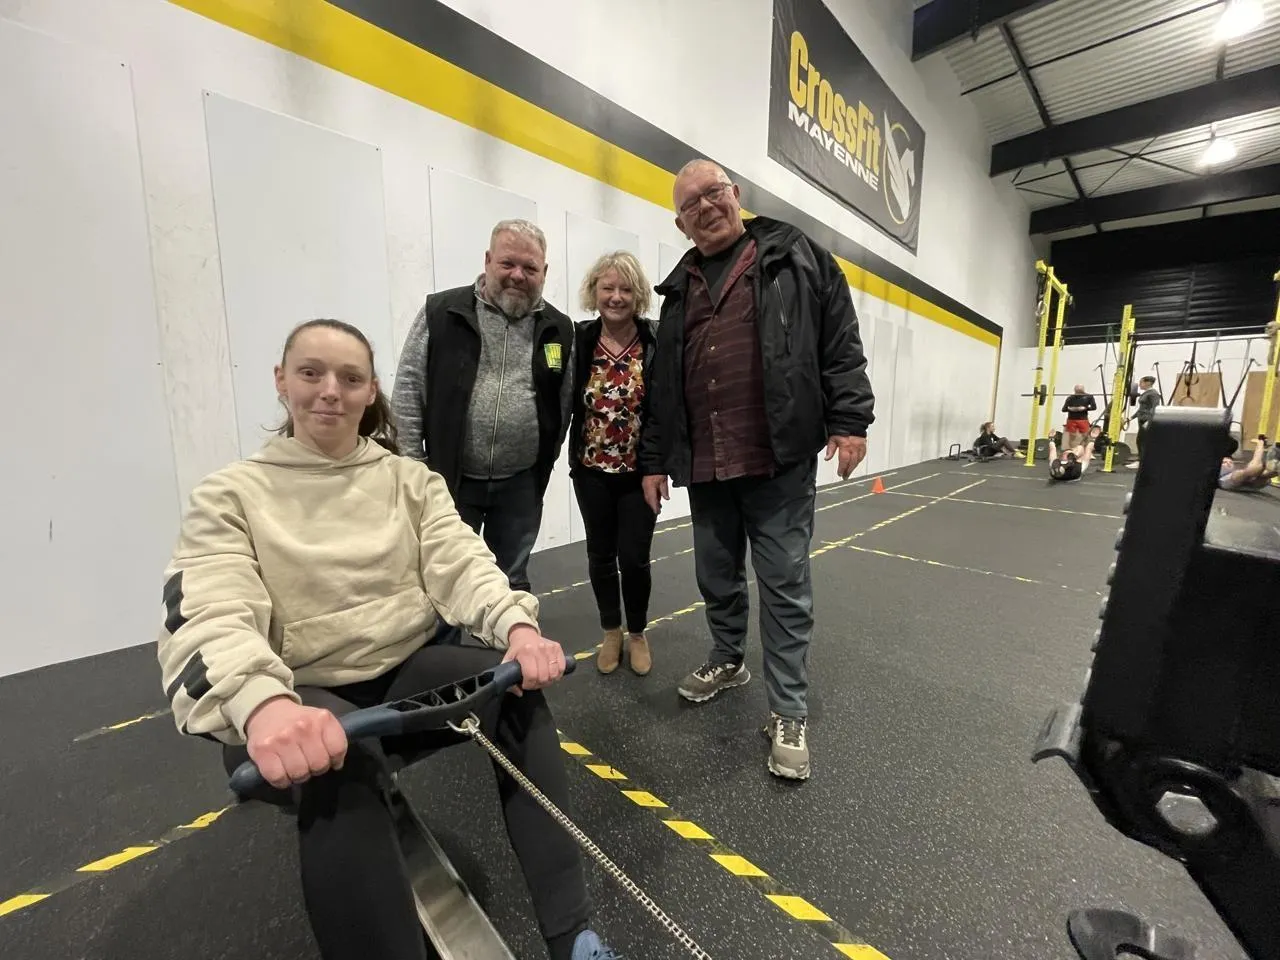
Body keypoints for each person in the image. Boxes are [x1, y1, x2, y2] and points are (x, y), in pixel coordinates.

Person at [158, 319, 619, 960]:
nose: (330, 390)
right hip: (299, 696)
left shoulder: (410, 481)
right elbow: (210, 611)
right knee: (340, 768)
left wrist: (518, 628)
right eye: (311, 373)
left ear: (370, 389)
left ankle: (573, 938)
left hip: (402, 674)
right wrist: (263, 706)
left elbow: (462, 562)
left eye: (350, 378)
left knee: (517, 697)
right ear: (282, 381)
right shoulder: (229, 495)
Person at [638, 159, 875, 781]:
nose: (705, 208)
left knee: (784, 584)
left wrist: (851, 420)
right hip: (707, 464)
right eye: (690, 205)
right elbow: (663, 386)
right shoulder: (678, 288)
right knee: (715, 576)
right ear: (681, 223)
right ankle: (728, 658)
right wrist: (655, 459)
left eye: (713, 193)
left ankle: (789, 709)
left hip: (777, 459)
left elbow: (840, 342)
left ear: (736, 194)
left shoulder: (796, 257)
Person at [391, 219, 575, 594]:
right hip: (448, 481)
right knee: (447, 581)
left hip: (521, 486)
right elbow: (408, 391)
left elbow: (563, 405)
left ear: (544, 271)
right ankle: (450, 637)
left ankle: (511, 634)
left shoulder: (559, 328)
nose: (518, 275)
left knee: (511, 581)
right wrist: (415, 469)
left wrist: (542, 462)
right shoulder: (442, 313)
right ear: (488, 261)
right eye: (508, 263)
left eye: (530, 268)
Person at [567, 251, 658, 676]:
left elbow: (664, 408)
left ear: (638, 295)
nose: (616, 297)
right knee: (600, 555)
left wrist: (660, 465)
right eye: (608, 288)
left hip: (640, 476)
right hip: (591, 473)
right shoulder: (580, 338)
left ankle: (637, 632)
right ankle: (611, 631)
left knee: (635, 558)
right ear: (595, 292)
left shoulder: (654, 341)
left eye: (625, 289)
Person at [1129, 376, 1160, 469]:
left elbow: (1155, 408)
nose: (1139, 384)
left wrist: (1149, 421)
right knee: (1140, 441)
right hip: (1141, 419)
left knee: (1142, 441)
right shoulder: (1146, 393)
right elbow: (1141, 409)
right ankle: (1141, 461)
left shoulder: (1153, 394)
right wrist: (1131, 417)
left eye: (1141, 382)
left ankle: (1142, 462)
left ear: (1148, 383)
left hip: (1146, 420)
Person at [1061, 384, 1096, 449]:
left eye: (1080, 390)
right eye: (1077, 390)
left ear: (1083, 390)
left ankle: (1087, 450)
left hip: (1082, 419)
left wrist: (1084, 408)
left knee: (1086, 435)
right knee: (1072, 436)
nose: (1078, 392)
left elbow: (1094, 407)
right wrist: (1072, 409)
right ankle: (1072, 450)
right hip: (1071, 419)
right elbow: (1064, 409)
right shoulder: (1070, 398)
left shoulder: (1089, 397)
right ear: (1075, 390)